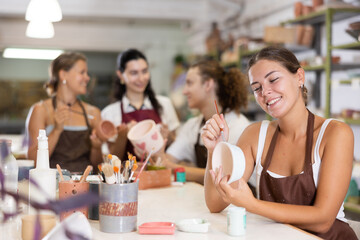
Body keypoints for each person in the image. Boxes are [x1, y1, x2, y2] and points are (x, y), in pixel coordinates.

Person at [202, 46, 356, 239]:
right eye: (257, 88)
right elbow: (215, 204)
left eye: (273, 79)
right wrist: (214, 150)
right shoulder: (255, 135)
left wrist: (252, 205)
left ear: (299, 77)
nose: (265, 92)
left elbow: (322, 221)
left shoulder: (335, 134)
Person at [158, 59, 250, 184]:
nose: (184, 91)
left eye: (189, 83)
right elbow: (165, 161)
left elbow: (225, 177)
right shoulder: (193, 126)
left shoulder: (238, 127)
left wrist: (176, 167)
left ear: (207, 84)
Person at [26, 52, 103, 173]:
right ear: (63, 75)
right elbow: (33, 161)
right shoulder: (41, 110)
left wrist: (97, 147)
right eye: (82, 72)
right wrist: (56, 130)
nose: (87, 78)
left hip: (85, 185)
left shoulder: (93, 113)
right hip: (52, 186)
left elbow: (98, 165)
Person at [101, 49, 180, 160]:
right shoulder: (110, 112)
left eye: (144, 71)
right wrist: (123, 135)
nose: (141, 78)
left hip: (160, 174)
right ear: (121, 75)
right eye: (134, 73)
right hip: (128, 176)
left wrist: (168, 137)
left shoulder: (164, 104)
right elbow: (112, 158)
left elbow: (177, 149)